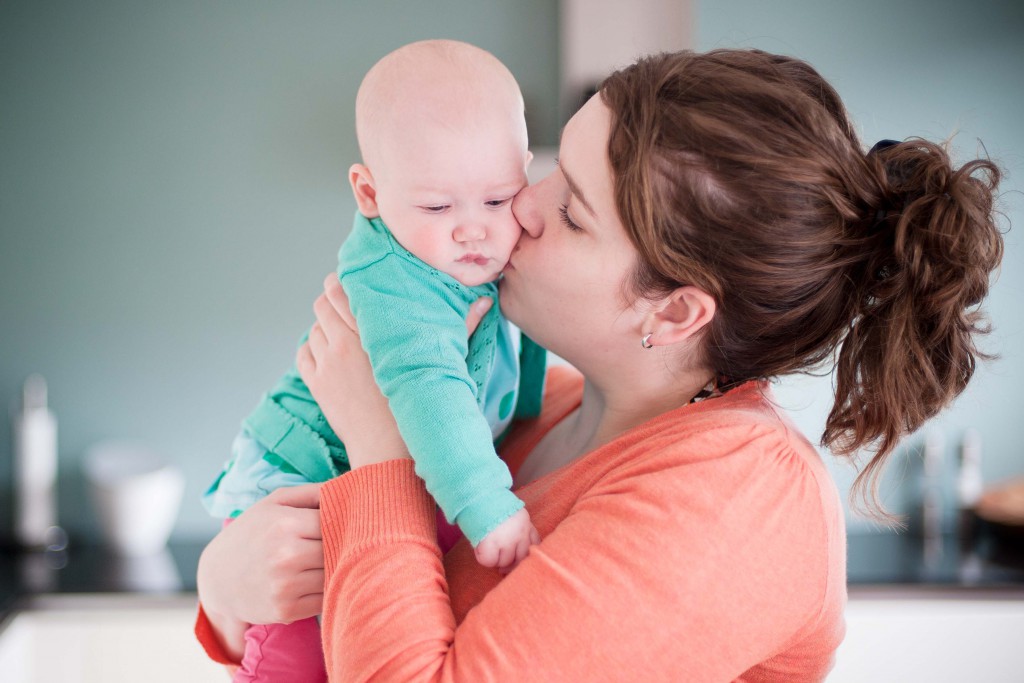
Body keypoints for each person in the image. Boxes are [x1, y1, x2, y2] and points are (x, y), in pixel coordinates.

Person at [195, 48, 1004, 681]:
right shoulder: (532, 402)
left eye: (571, 210)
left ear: (676, 309)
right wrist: (227, 599)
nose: (520, 207)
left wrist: (381, 449)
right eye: (544, 173)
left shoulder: (742, 500)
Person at [200, 39, 545, 681]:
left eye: (498, 198)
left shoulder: (470, 251)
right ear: (368, 192)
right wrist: (489, 505)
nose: (473, 229)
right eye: (438, 207)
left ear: (523, 169)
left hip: (377, 475)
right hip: (301, 481)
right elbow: (429, 390)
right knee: (303, 644)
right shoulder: (397, 281)